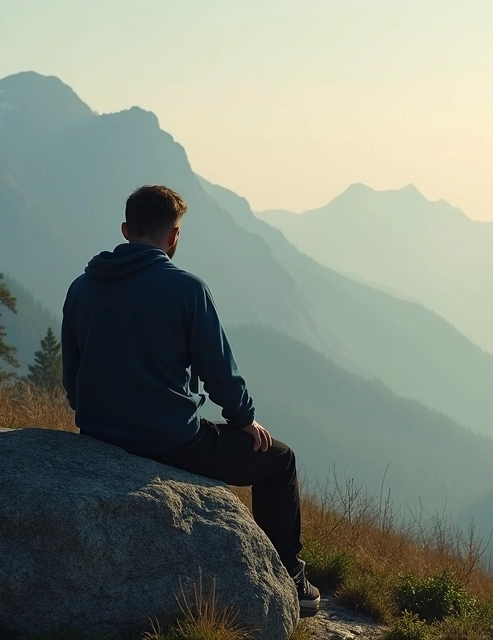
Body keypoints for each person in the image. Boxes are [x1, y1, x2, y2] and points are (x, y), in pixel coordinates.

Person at [60, 184, 320, 617]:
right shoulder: (186, 289)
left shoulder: (82, 288)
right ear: (174, 236)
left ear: (126, 230)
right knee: (279, 461)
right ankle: (289, 578)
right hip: (170, 440)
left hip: (98, 431)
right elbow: (220, 373)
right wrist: (244, 420)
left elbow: (72, 377)